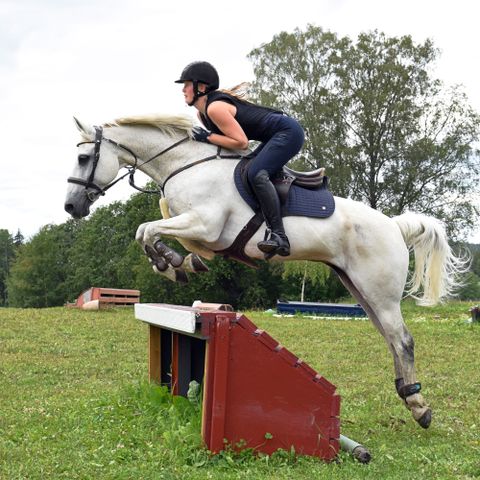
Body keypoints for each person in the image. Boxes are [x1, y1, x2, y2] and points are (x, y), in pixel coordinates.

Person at [175, 61, 304, 257]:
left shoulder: (214, 108)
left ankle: (279, 235)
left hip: (287, 132)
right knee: (243, 170)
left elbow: (241, 142)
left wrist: (206, 136)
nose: (183, 90)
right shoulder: (202, 114)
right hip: (273, 136)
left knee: (256, 174)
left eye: (186, 84)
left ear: (201, 87)